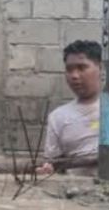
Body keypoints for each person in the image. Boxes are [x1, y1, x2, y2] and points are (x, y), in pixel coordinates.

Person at [36, 40, 102, 177]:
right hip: (75, 191)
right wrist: (47, 171)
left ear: (100, 68)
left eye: (82, 68)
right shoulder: (58, 117)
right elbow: (53, 164)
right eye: (69, 69)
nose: (74, 76)